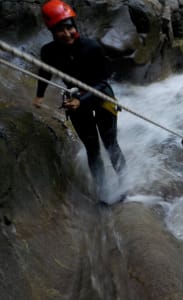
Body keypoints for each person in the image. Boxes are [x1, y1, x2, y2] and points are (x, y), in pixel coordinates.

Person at [33, 0, 126, 200]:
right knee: (92, 149)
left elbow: (102, 82)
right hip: (75, 100)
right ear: (51, 31)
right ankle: (104, 193)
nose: (67, 34)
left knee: (110, 144)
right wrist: (40, 94)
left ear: (75, 25)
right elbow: (45, 73)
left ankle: (124, 186)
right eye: (61, 30)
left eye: (70, 28)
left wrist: (82, 101)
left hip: (101, 97)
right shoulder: (49, 52)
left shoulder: (92, 47)